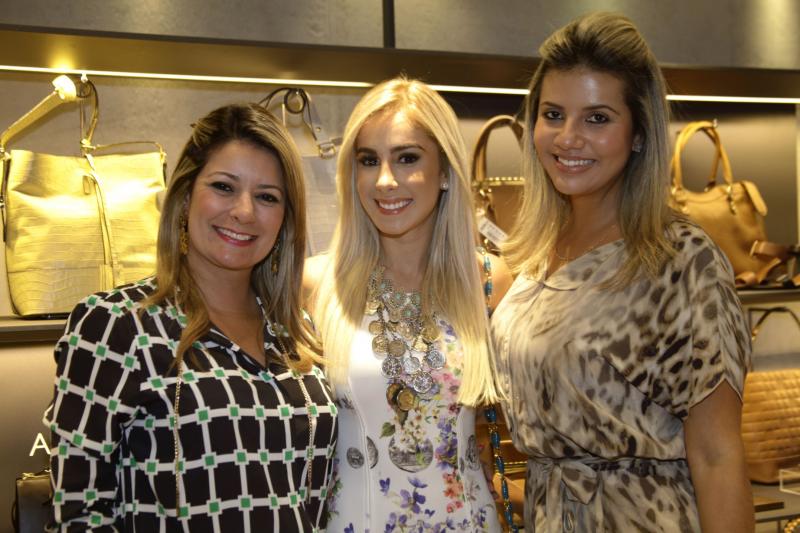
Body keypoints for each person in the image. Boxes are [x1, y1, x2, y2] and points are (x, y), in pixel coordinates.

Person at [491, 12, 754, 533]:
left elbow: (718, 456)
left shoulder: (679, 259)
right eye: (553, 114)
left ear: (638, 134)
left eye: (597, 118)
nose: (568, 137)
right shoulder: (534, 257)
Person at [44, 103, 338, 531]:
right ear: (185, 196)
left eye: (267, 197)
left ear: (285, 220)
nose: (244, 211)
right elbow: (79, 513)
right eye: (223, 187)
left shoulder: (298, 334)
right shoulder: (117, 325)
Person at [304, 77, 513, 532]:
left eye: (407, 158)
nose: (384, 180)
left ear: (445, 172)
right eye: (368, 160)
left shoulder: (488, 282)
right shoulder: (316, 285)